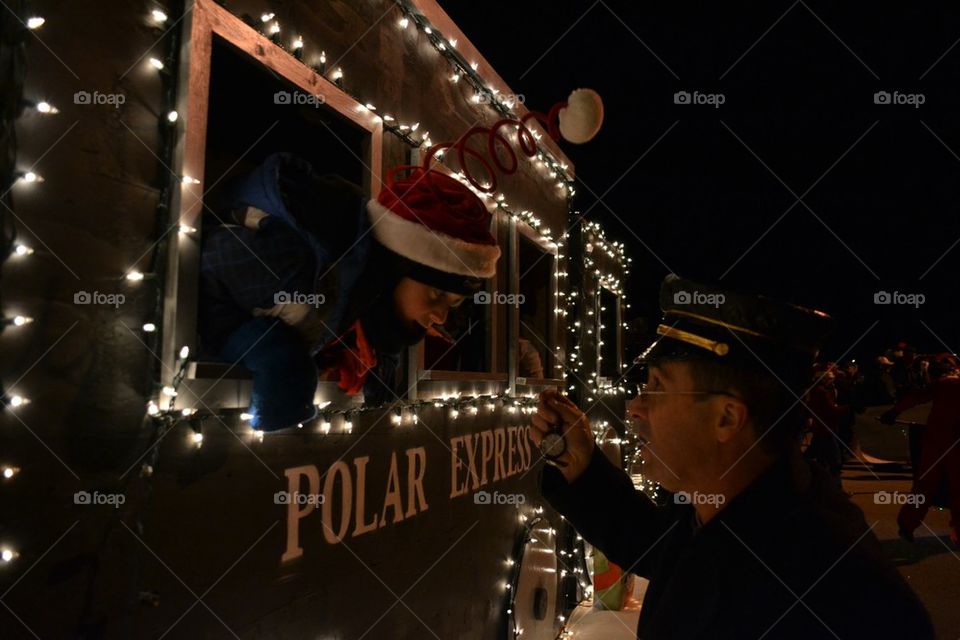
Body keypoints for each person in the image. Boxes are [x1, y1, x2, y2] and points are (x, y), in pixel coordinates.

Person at [532, 274, 933, 639]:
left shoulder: (826, 588)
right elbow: (661, 549)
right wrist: (583, 467)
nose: (636, 407)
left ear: (726, 417)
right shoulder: (737, 509)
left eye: (657, 386)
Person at [200, 154, 500, 429]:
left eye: (455, 302)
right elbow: (210, 262)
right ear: (396, 268)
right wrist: (272, 351)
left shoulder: (367, 303)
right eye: (436, 293)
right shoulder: (297, 265)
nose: (440, 317)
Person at [880, 353, 960, 547]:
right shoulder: (951, 384)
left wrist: (894, 412)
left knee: (924, 485)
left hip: (935, 442)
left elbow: (915, 398)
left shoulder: (940, 385)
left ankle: (907, 524)